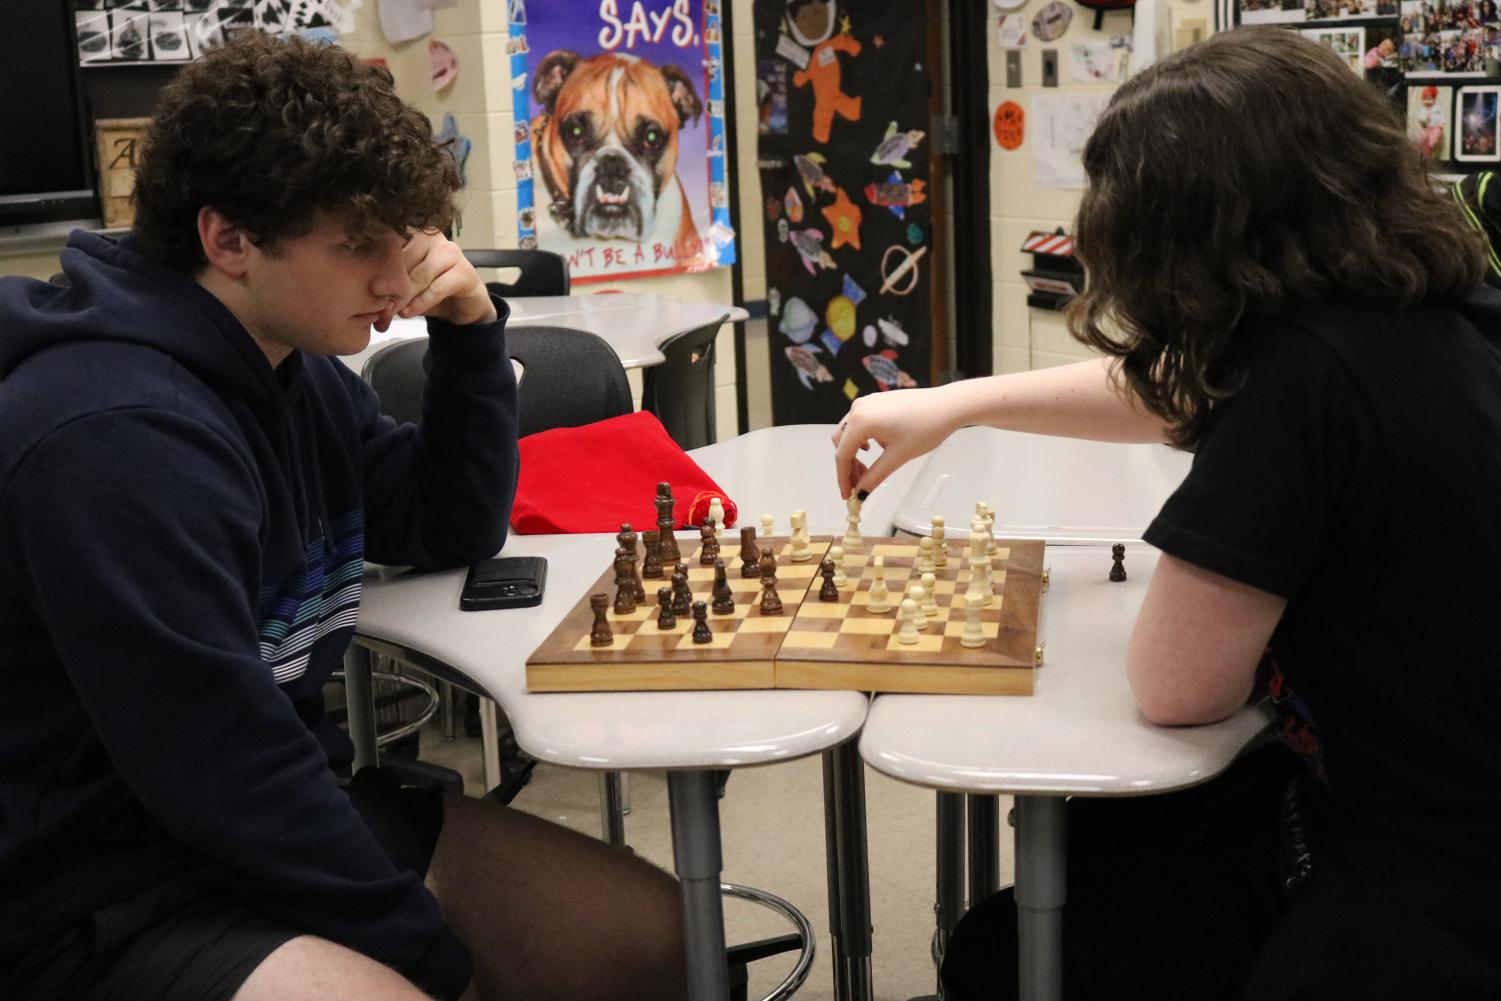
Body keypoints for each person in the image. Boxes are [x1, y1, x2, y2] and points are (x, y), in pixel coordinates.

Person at [0, 33, 685, 1001]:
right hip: (100, 892)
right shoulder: (110, 438)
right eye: (358, 244)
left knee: (650, 936)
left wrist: (470, 338)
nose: (397, 279)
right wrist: (440, 958)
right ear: (228, 239)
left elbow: (445, 522)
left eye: (401, 237)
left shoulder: (295, 369)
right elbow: (227, 775)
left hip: (270, 819)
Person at [833, 27, 1501, 1001]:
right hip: (1436, 801)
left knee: (1010, 949)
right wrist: (958, 402)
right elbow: (1185, 392)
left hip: (1433, 866)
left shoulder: (1304, 377)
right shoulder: (1436, 305)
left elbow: (1174, 683)